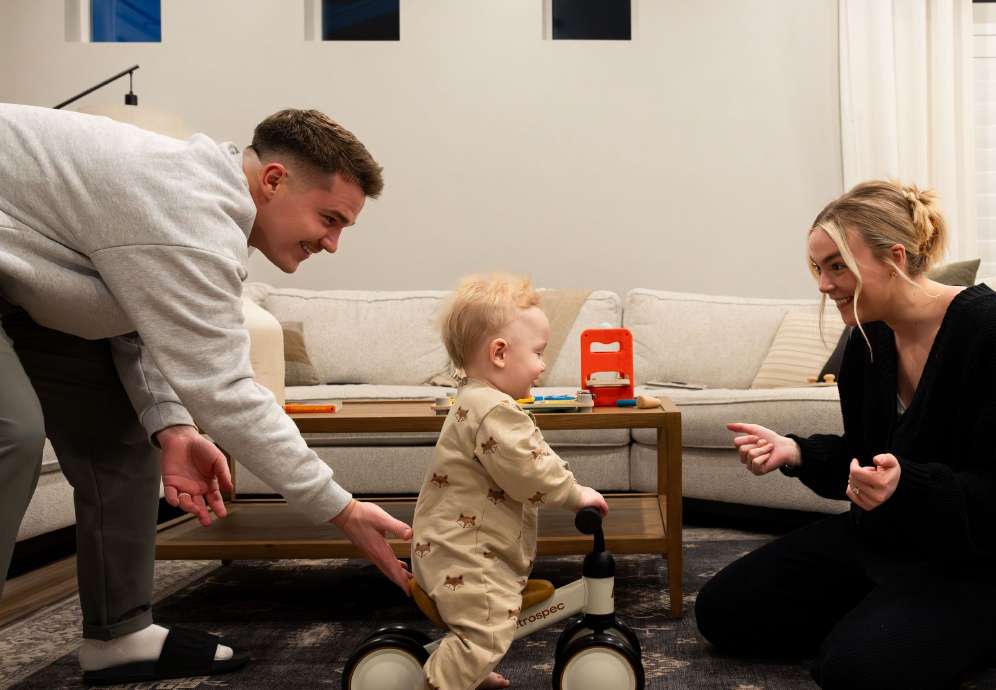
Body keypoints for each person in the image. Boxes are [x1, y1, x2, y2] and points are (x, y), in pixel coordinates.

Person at [0, 104, 415, 684]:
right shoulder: (190, 217)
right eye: (329, 219)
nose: (333, 242)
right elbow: (227, 390)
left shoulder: (199, 209)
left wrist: (173, 427)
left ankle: (119, 635)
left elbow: (135, 322)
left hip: (22, 274)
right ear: (273, 180)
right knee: (10, 432)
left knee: (121, 437)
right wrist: (341, 509)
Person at [694, 180, 996, 688]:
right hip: (885, 541)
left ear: (894, 257)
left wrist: (907, 486)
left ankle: (940, 629)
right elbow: (865, 460)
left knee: (854, 672)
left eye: (838, 266)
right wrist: (795, 451)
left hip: (981, 562)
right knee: (722, 611)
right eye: (817, 269)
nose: (824, 284)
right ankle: (893, 621)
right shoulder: (867, 342)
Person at [411, 273, 608, 690]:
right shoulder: (492, 409)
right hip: (462, 553)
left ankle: (470, 671)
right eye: (538, 353)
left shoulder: (481, 400)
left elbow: (527, 454)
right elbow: (528, 467)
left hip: (462, 546)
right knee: (486, 626)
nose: (542, 365)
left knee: (490, 619)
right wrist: (574, 493)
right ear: (499, 353)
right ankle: (446, 681)